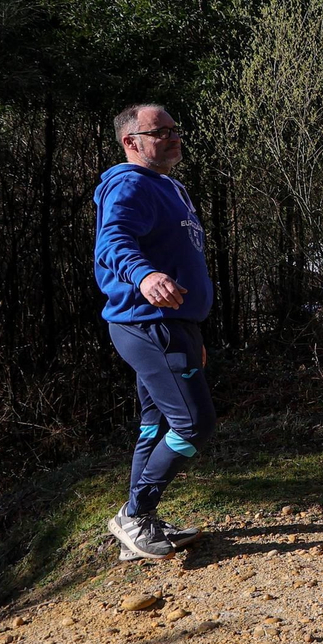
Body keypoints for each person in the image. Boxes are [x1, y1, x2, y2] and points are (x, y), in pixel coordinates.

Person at [94, 104, 215, 560]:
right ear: (132, 142)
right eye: (160, 132)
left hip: (174, 325)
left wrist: (194, 335)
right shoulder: (129, 183)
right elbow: (113, 242)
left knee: (156, 421)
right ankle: (134, 515)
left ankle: (137, 528)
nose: (173, 137)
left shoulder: (171, 187)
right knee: (194, 423)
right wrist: (144, 276)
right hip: (148, 324)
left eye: (174, 129)